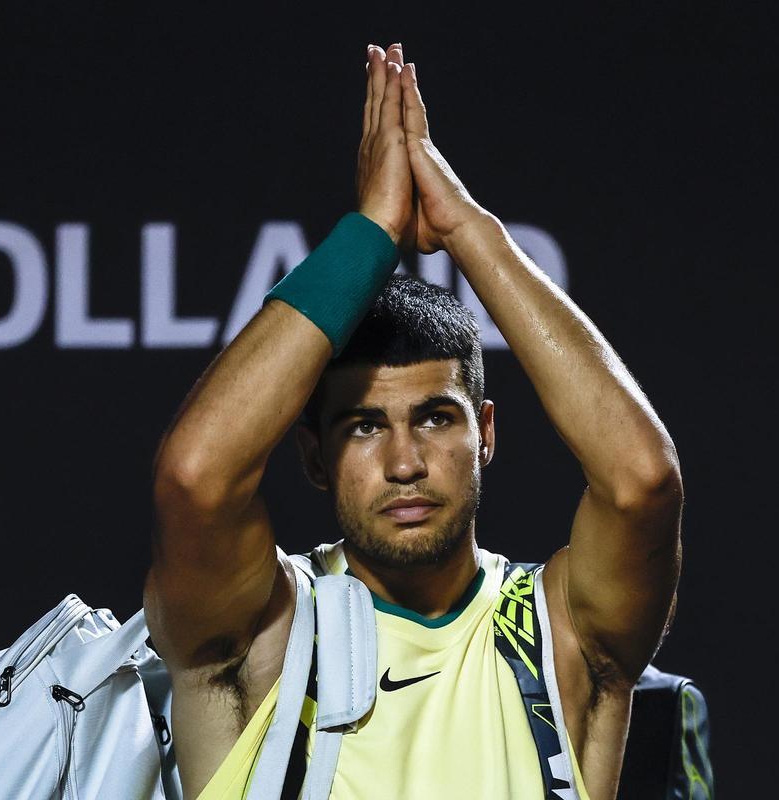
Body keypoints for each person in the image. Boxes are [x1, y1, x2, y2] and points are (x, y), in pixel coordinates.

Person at [144, 42, 683, 800]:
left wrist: (467, 230)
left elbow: (643, 482)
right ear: (314, 455)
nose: (404, 462)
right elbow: (194, 478)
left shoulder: (562, 639)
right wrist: (372, 229)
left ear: (485, 433)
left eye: (434, 418)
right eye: (364, 426)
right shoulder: (267, 631)